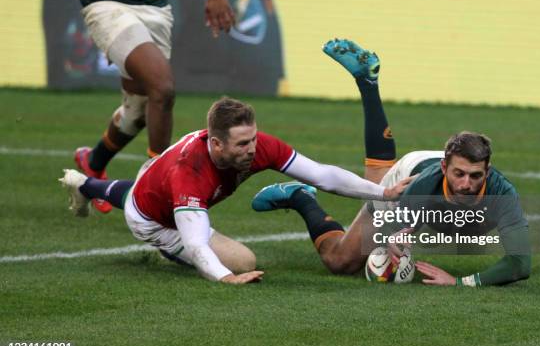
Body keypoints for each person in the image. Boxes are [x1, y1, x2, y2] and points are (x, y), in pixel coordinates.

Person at [252, 39, 531, 287]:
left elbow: (520, 265)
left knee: (374, 180)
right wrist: (394, 237)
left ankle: (368, 83)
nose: (466, 184)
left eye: (475, 176)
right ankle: (301, 196)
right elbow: (395, 227)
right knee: (342, 261)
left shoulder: (503, 193)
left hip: (432, 169)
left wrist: (459, 281)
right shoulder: (422, 187)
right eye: (459, 174)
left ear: (488, 171)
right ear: (446, 169)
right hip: (412, 173)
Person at [59, 97, 410, 284]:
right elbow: (196, 242)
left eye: (254, 139)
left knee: (141, 193)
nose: (252, 149)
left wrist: (382, 194)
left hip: (153, 179)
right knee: (243, 261)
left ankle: (86, 183)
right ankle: (160, 247)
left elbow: (321, 175)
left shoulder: (256, 146)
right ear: (215, 143)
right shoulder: (191, 173)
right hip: (156, 220)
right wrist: (226, 277)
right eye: (242, 144)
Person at [26, 0, 235, 214]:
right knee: (162, 88)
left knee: (138, 107)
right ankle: (157, 196)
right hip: (107, 3)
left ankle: (93, 161)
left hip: (156, 6)